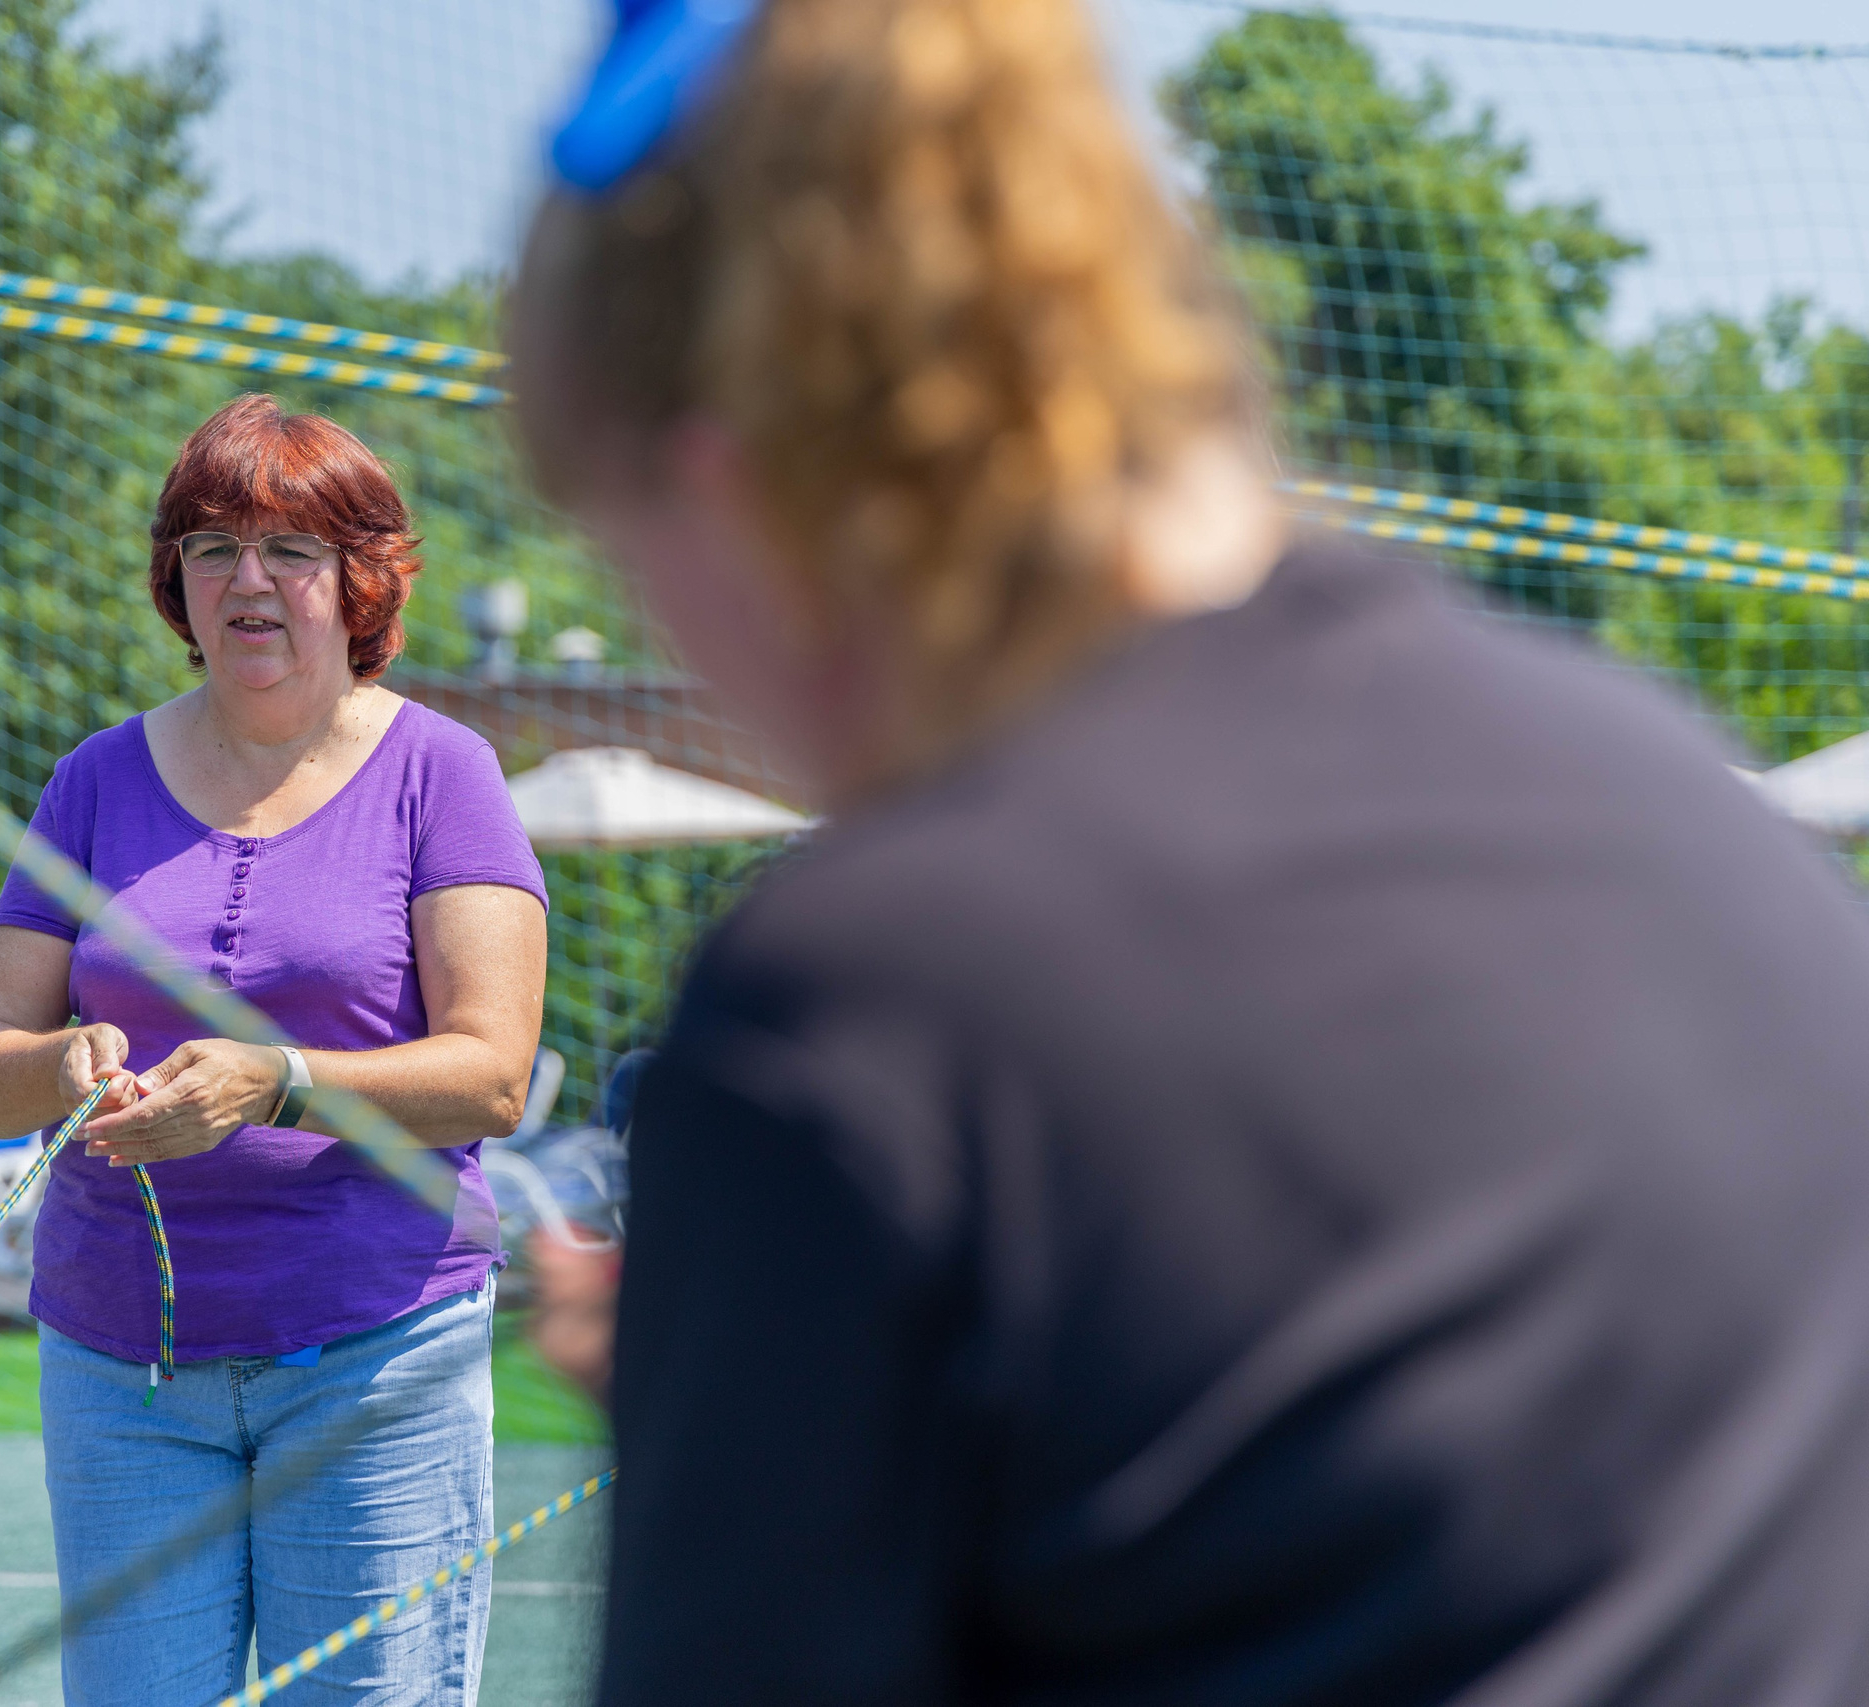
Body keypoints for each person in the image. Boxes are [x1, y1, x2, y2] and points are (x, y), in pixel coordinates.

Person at [512, 1, 1869, 1703]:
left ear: (736, 497)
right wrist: (801, 1382)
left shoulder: (871, 1010)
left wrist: (780, 1387)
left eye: (635, 569)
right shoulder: (1701, 825)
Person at [0, 393, 548, 1707]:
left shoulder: (446, 775)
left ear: (362, 582)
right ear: (176, 584)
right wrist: (57, 1065)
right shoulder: (92, 781)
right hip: (122, 1372)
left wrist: (285, 1082)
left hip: (380, 1358)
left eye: (291, 551)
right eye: (211, 549)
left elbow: (491, 1073)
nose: (247, 582)